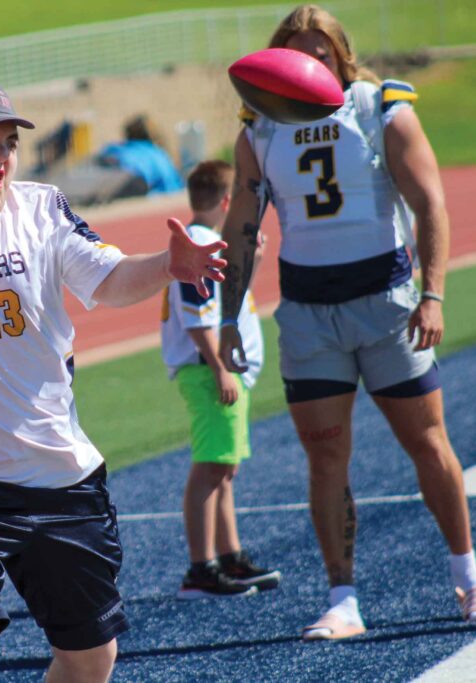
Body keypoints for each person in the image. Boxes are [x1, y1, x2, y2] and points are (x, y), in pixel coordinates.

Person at [0, 77, 226, 682]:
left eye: (8, 141)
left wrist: (167, 266)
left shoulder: (45, 207)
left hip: (57, 472)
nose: (0, 156)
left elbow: (106, 280)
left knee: (89, 659)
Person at [217, 4, 476, 640]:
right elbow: (241, 225)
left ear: (340, 55)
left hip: (386, 305)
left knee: (428, 443)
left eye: (321, 51)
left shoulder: (380, 107)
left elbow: (430, 202)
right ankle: (343, 598)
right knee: (325, 461)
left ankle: (469, 574)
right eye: (297, 51)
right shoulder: (259, 126)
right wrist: (229, 316)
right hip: (309, 315)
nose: (311, 62)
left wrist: (434, 294)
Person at [161, 160, 279, 598]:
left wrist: (254, 263)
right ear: (229, 202)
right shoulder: (200, 243)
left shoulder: (206, 243)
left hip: (217, 369)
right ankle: (201, 567)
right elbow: (197, 318)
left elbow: (221, 304)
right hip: (209, 371)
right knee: (211, 468)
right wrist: (219, 367)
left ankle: (229, 556)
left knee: (224, 468)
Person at [97, 114, 184, 195]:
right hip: (131, 180)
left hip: (102, 176)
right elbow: (172, 187)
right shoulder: (157, 155)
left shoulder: (115, 148)